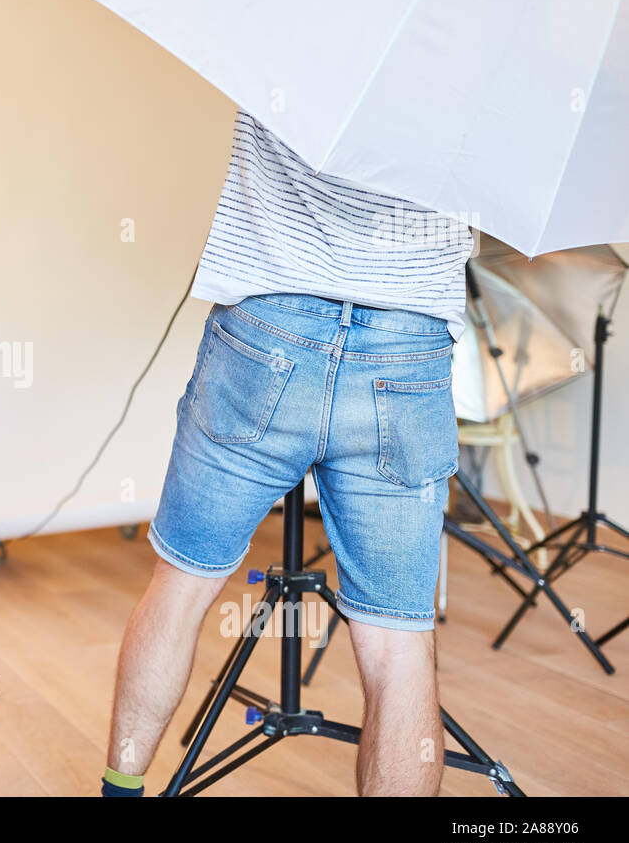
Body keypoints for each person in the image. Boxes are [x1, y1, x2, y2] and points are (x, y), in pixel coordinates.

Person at [105, 109, 474, 797]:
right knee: (400, 641)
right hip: (407, 344)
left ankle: (118, 792)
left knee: (183, 584)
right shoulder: (485, 47)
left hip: (271, 322)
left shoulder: (292, 8)